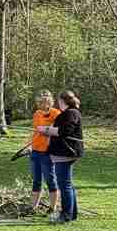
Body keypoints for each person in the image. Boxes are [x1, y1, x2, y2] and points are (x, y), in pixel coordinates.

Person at [37, 90, 85, 223]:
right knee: (67, 184)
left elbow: (65, 131)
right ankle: (72, 214)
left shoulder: (71, 113)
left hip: (65, 153)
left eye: (59, 101)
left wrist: (45, 130)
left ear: (62, 101)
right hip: (64, 153)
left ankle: (66, 215)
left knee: (64, 185)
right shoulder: (69, 113)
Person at [28, 91, 61, 213]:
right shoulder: (37, 114)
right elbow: (34, 131)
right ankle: (33, 207)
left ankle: (52, 208)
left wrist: (47, 129)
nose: (41, 104)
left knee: (50, 179)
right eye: (39, 102)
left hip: (47, 152)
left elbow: (58, 130)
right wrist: (29, 145)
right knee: (36, 180)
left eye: (44, 101)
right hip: (35, 150)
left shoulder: (56, 113)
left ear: (49, 101)